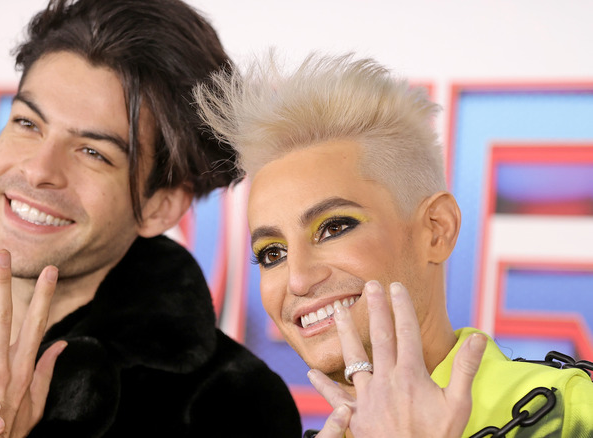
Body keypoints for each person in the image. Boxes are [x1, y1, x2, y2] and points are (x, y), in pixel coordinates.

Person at [0, 1, 303, 436]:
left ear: (160, 206)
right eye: (28, 123)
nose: (39, 170)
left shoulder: (228, 408)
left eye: (93, 152)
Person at [194, 52, 593, 437]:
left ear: (437, 230)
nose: (297, 279)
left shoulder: (575, 413)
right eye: (272, 253)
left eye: (334, 227)